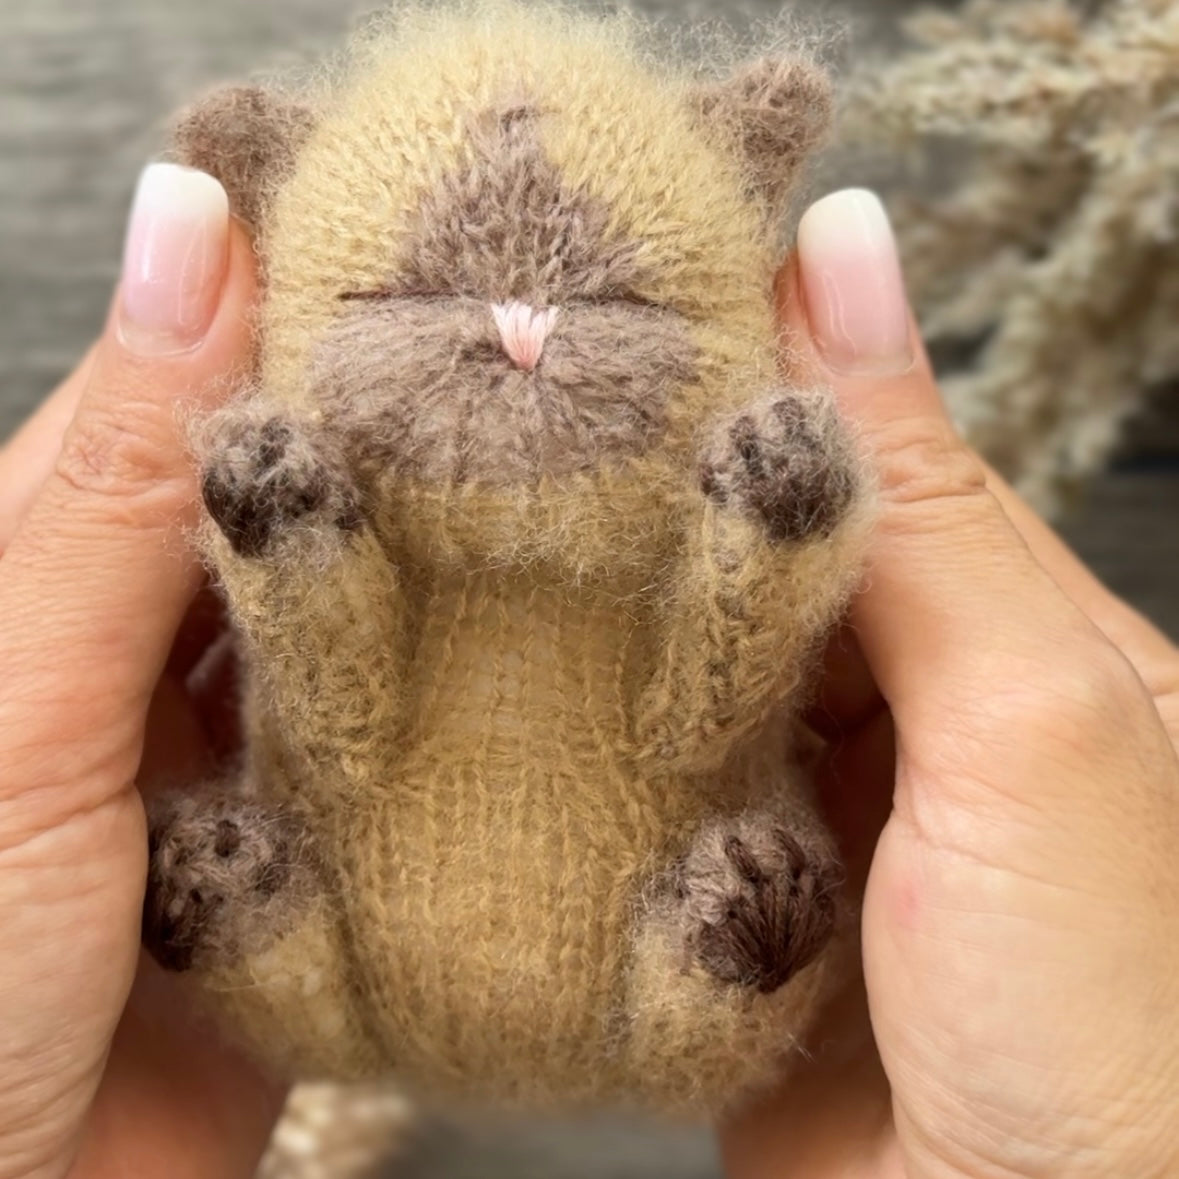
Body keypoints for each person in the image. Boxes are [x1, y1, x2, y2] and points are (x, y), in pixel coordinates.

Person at [0, 167, 1174, 1179]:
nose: (523, 331)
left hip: (648, 987)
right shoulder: (354, 502)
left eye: (612, 294)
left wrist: (757, 543)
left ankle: (714, 971)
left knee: (737, 885)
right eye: (411, 294)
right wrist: (295, 539)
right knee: (298, 806)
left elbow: (700, 711)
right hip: (345, 985)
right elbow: (339, 704)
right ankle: (273, 937)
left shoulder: (649, 552)